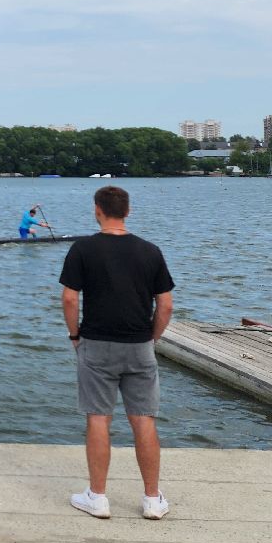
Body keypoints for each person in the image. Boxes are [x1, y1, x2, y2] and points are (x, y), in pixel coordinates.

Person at [60, 185, 174, 521]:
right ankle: (152, 499)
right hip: (139, 346)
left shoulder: (83, 249)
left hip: (96, 344)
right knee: (143, 420)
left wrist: (75, 336)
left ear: (97, 210)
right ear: (128, 211)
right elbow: (165, 304)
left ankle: (97, 497)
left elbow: (69, 299)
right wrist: (151, 338)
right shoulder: (150, 251)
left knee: (98, 417)